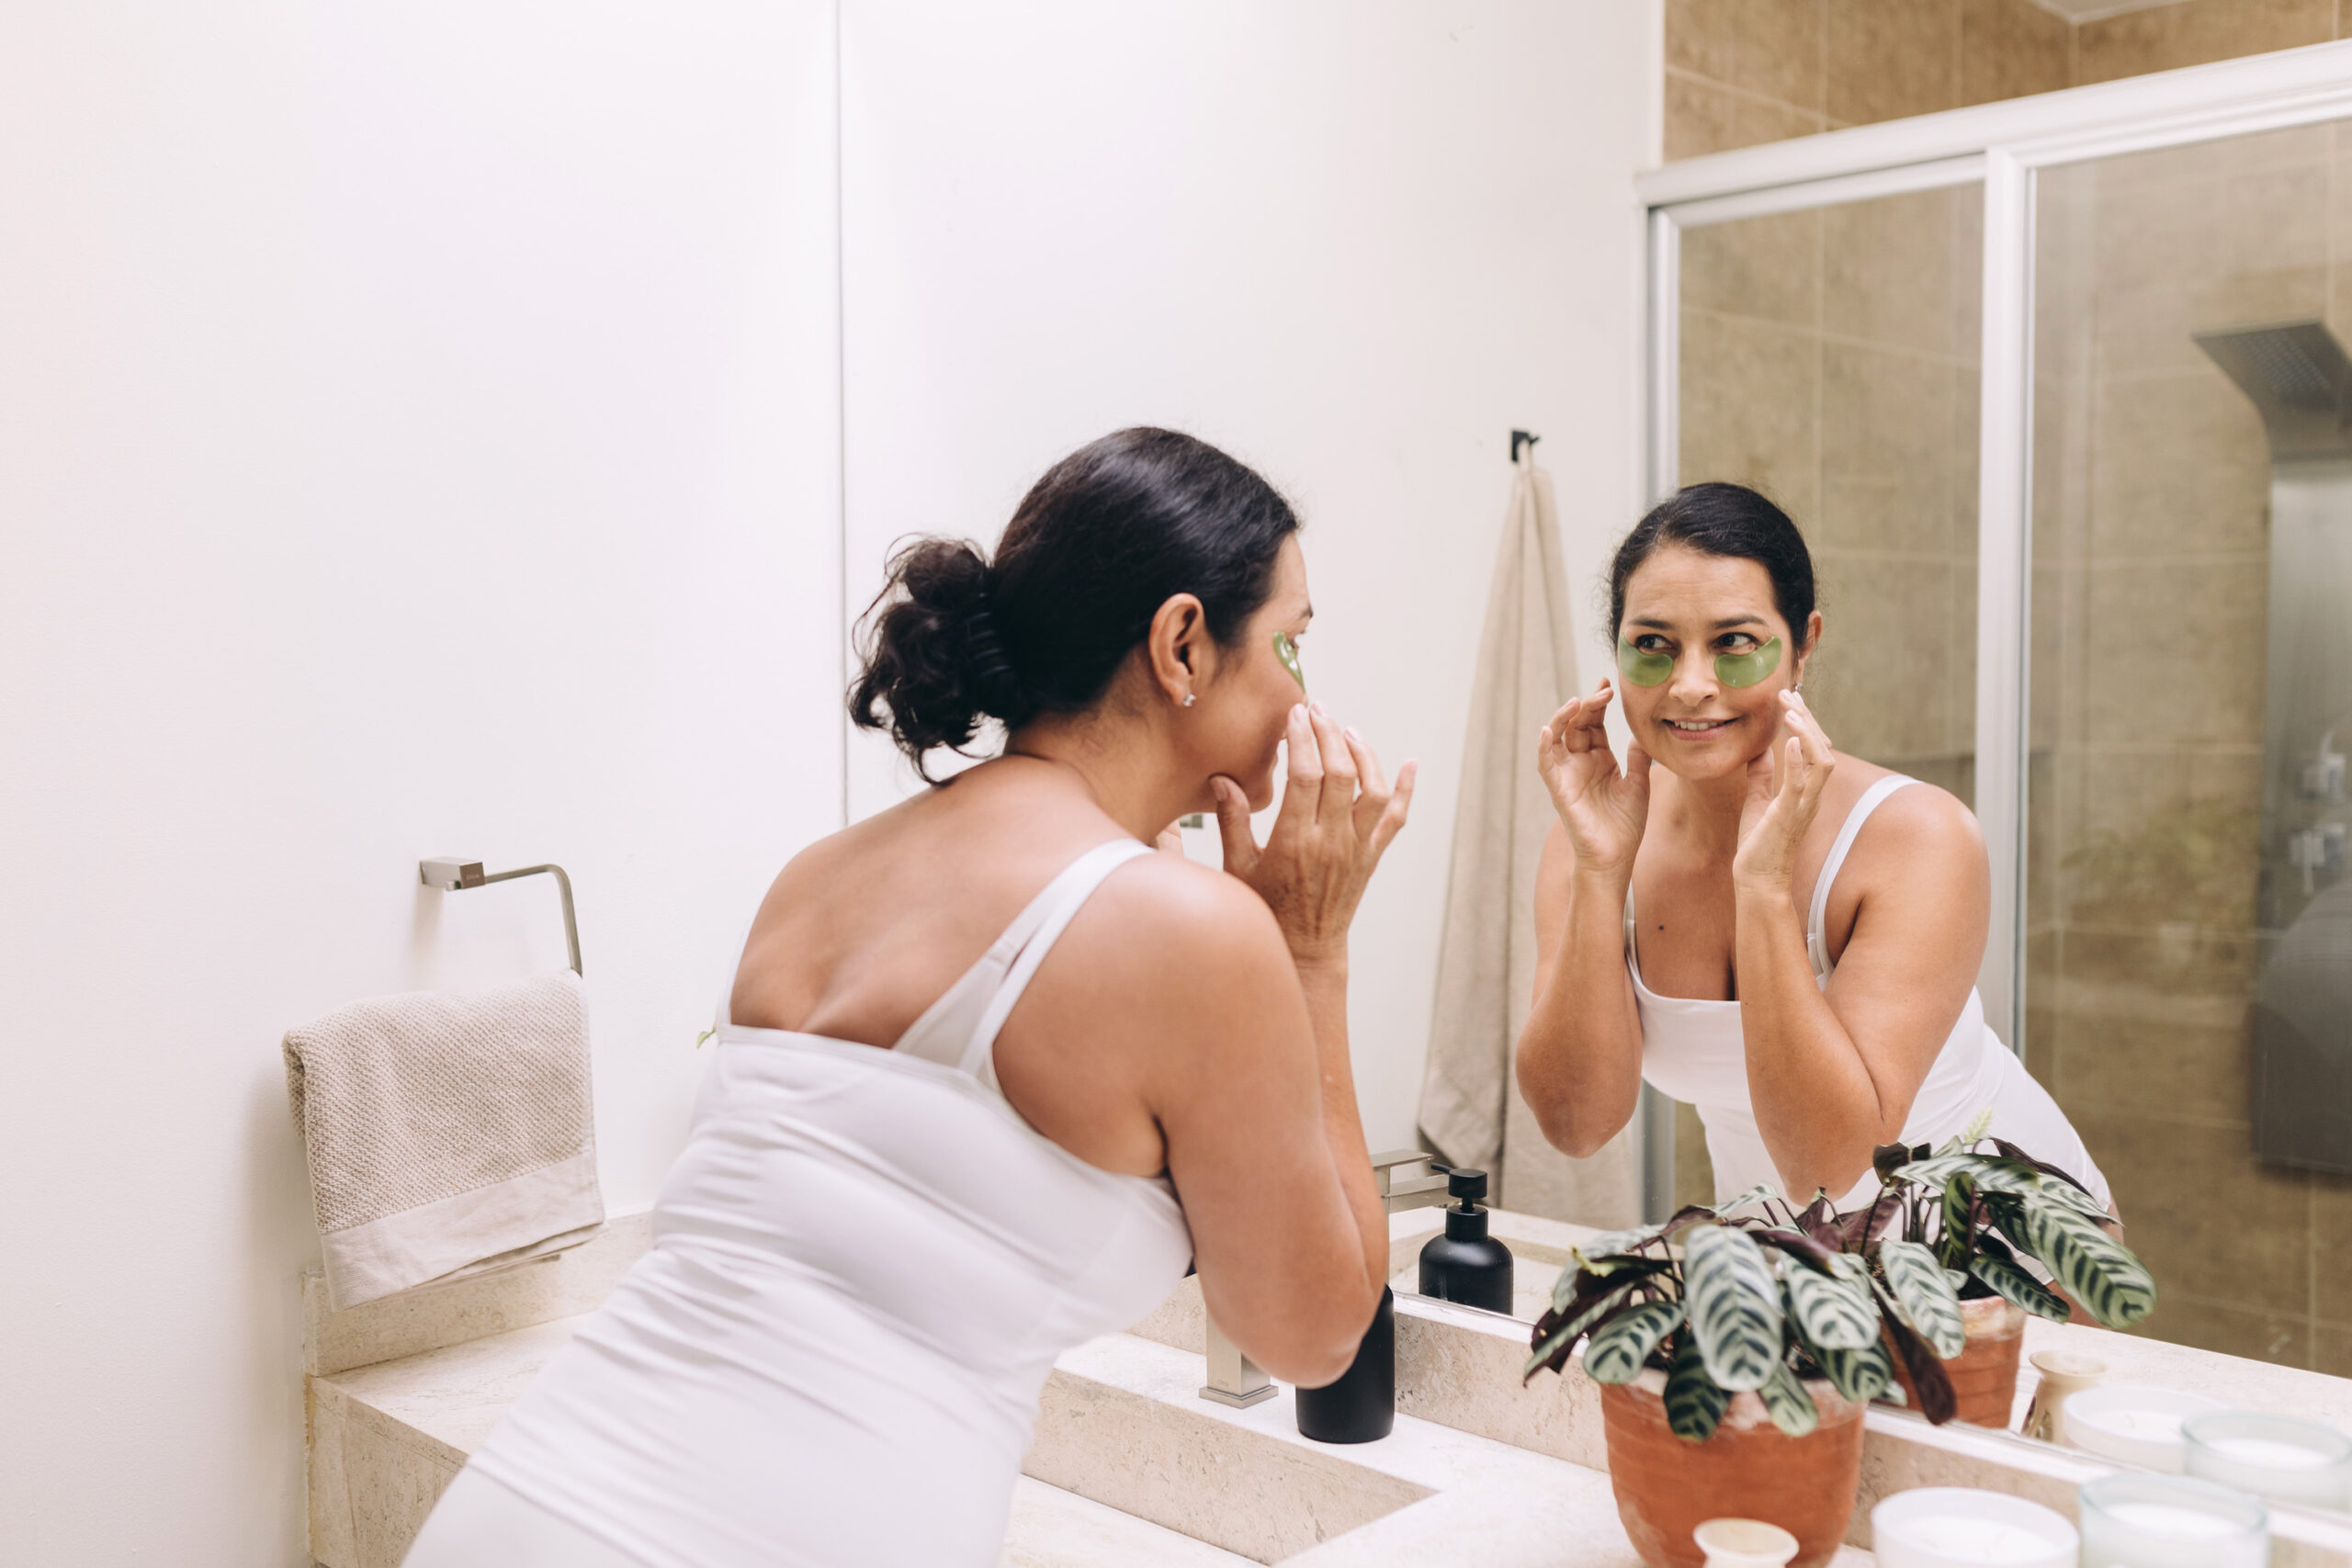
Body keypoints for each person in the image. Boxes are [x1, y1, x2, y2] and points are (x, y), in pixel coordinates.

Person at [402, 428, 1416, 1567]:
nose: (1301, 697)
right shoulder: (1189, 930)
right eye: (1292, 645)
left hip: (523, 1499)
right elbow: (1316, 1336)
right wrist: (1312, 953)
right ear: (1182, 644)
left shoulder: (817, 877)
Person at [1513, 482, 2109, 1215]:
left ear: (1803, 648)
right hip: (1790, 1260)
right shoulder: (1594, 840)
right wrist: (1601, 875)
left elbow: (1832, 1169)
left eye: (1734, 642)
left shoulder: (1919, 838)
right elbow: (1575, 1125)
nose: (1691, 685)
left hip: (1998, 1249)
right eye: (1653, 645)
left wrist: (1762, 888)